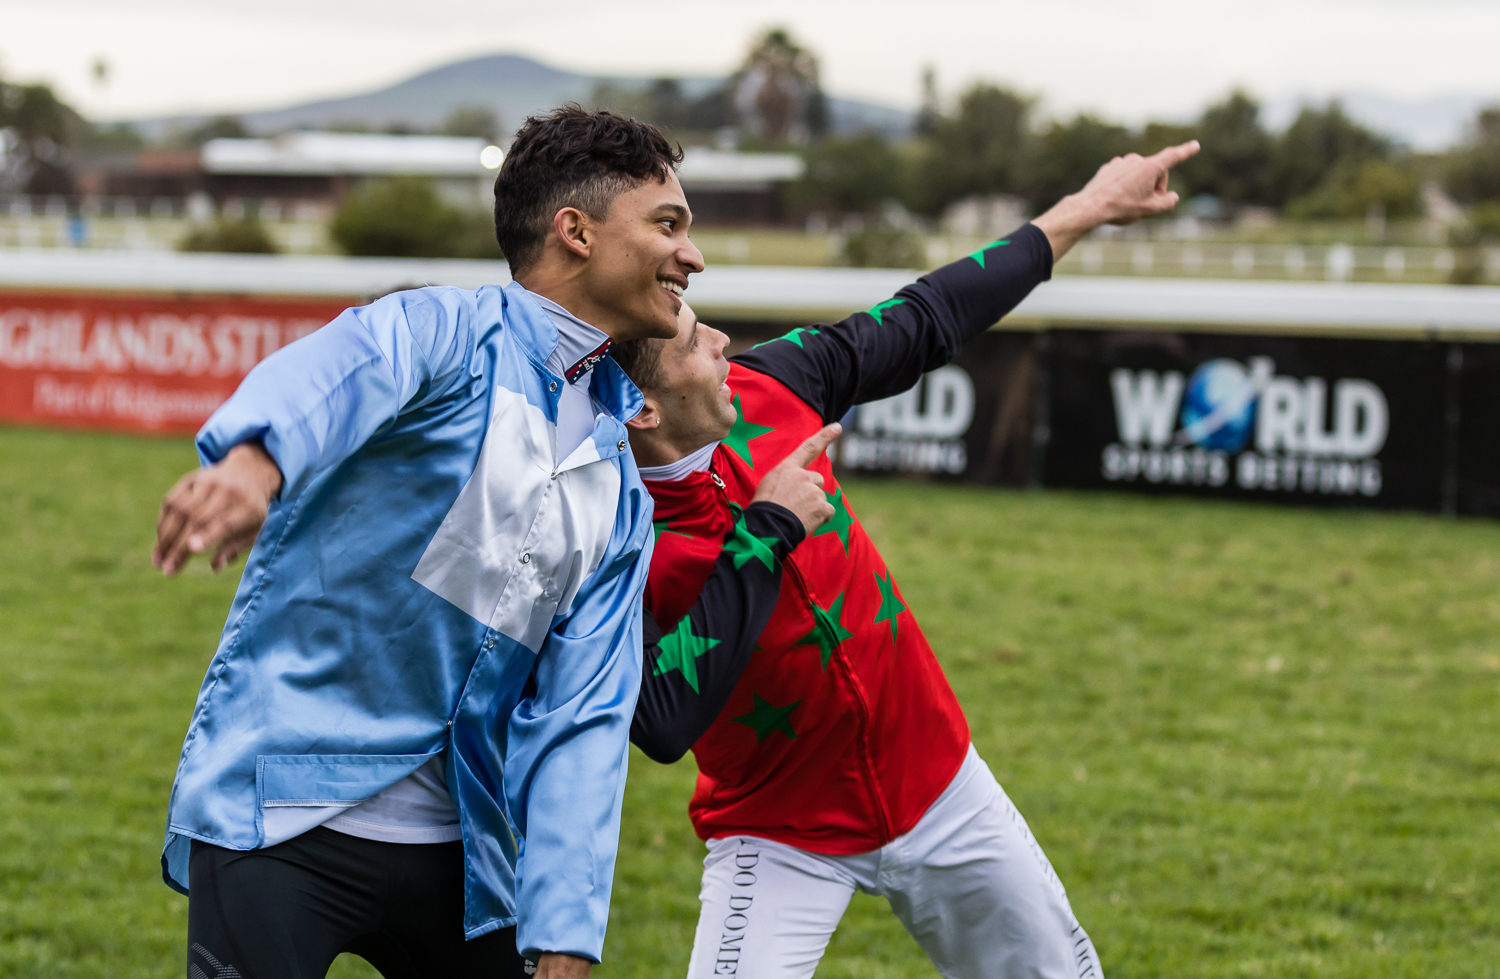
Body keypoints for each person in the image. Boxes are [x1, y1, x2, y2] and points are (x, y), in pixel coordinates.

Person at [620, 141, 1200, 978]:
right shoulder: (613, 526)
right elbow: (661, 718)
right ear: (640, 407)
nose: (720, 338)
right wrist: (765, 527)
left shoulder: (775, 382)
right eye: (691, 335)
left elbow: (930, 314)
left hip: (940, 784)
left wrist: (1088, 206)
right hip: (777, 832)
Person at [151, 107, 707, 979]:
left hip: (464, 858)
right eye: (668, 225)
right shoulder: (451, 332)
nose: (693, 256)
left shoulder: (621, 493)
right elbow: (343, 368)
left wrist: (565, 933)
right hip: (284, 815)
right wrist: (254, 464)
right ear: (577, 232)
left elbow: (582, 723)